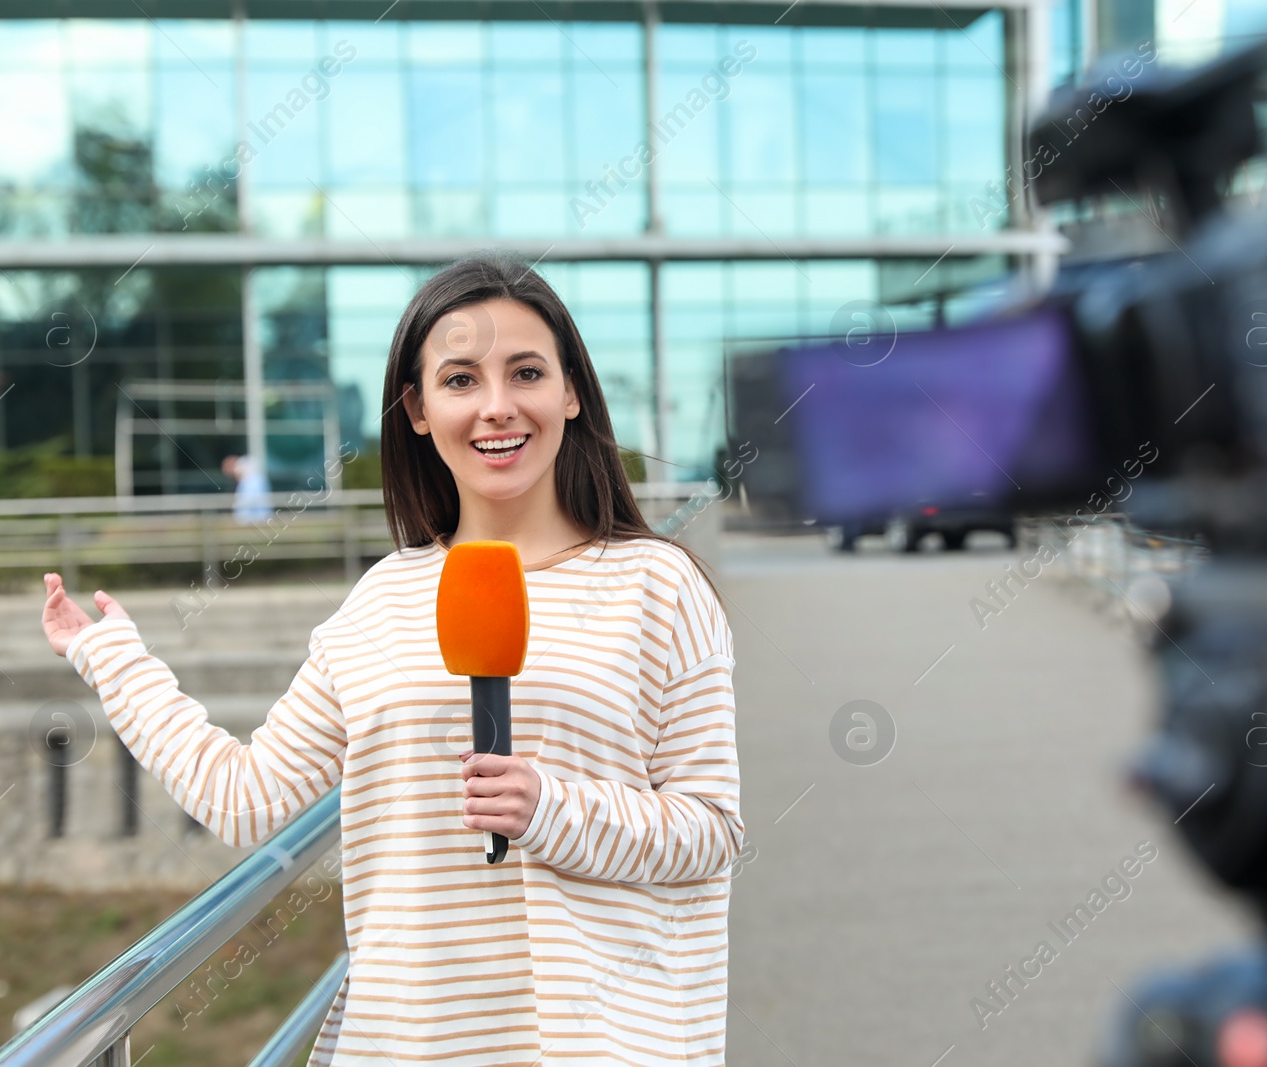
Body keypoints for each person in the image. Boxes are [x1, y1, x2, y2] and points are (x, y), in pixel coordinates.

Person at [40, 256, 743, 1066]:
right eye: (459, 380)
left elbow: (711, 829)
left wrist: (550, 807)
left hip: (602, 1042)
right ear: (416, 408)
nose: (497, 407)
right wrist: (112, 657)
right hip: (412, 1043)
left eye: (526, 372)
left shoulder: (659, 584)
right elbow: (247, 797)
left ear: (571, 391)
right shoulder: (382, 600)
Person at [220, 452, 272, 523]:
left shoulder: (252, 480)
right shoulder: (246, 480)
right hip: (255, 519)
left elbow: (249, 500)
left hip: (257, 519)